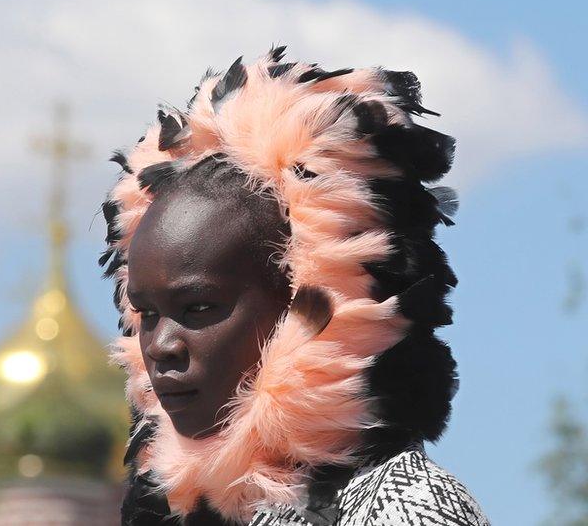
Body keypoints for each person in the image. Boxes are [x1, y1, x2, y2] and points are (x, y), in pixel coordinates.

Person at [98, 46, 489, 526]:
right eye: (147, 313)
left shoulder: (402, 507)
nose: (161, 347)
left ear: (304, 309)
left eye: (198, 307)